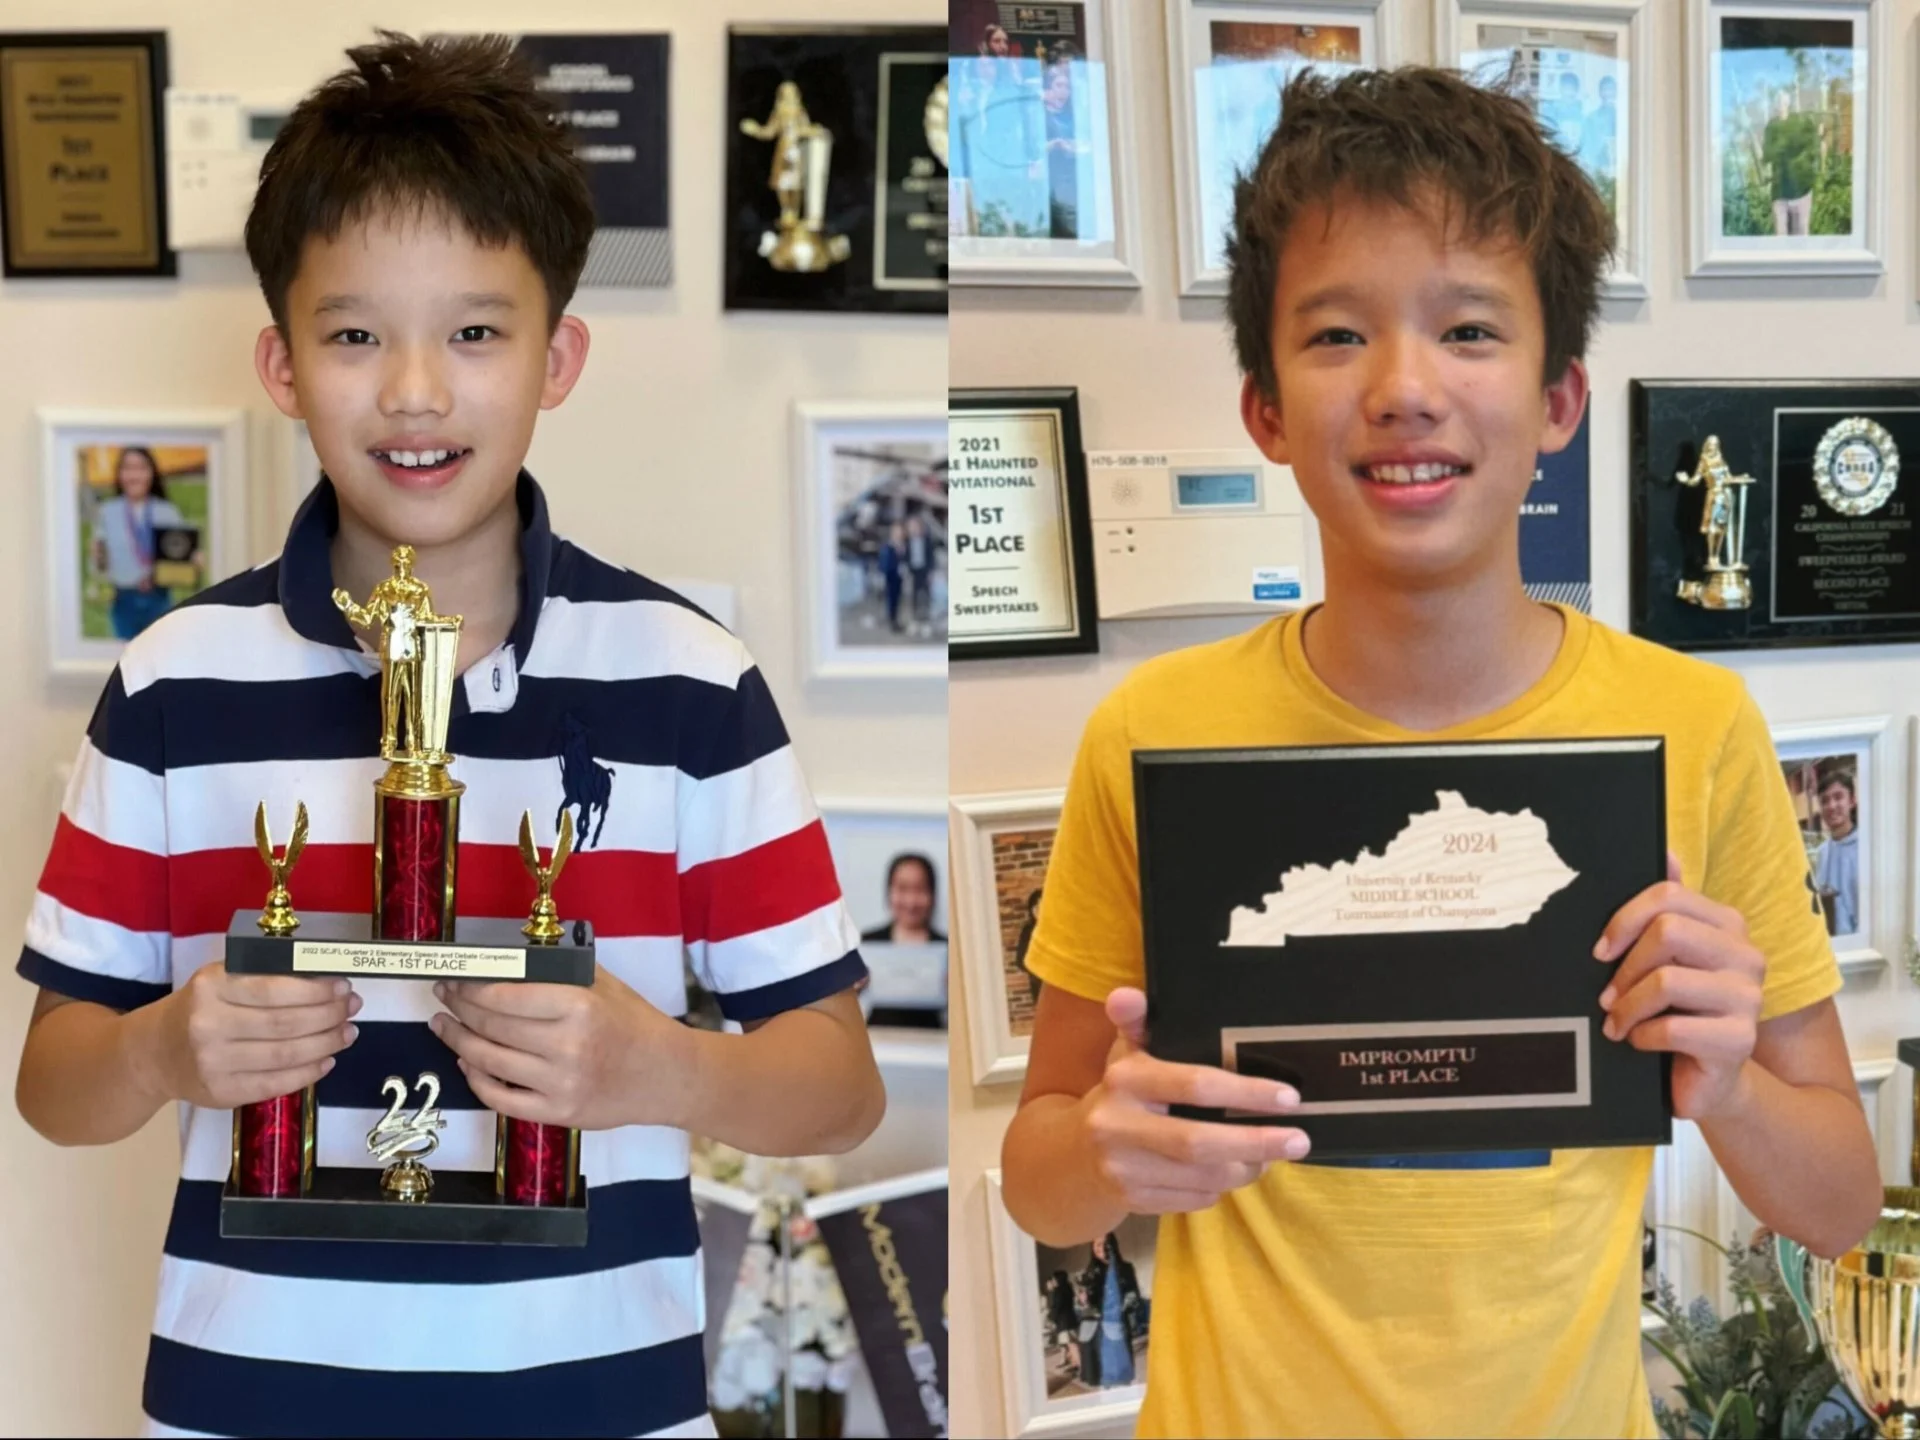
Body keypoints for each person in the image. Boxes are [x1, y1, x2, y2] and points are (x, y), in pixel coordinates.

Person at [13, 33, 883, 1440]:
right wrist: (171, 1050)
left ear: (562, 355)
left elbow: (836, 1084)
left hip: (602, 1402)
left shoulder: (692, 686)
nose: (415, 392)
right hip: (249, 1401)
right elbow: (56, 1086)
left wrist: (655, 1069)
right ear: (282, 363)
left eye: (477, 332)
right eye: (354, 333)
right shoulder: (174, 686)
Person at [1000, 66, 1879, 1437]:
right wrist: (1111, 1146)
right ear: (1267, 410)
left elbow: (1836, 1200)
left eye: (1470, 330)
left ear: (1558, 399)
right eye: (1338, 336)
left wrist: (1730, 1087)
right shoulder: (1151, 732)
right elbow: (1039, 1182)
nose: (1406, 389)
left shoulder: (1694, 728)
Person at [90, 446, 189, 640]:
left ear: (152, 473)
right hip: (123, 601)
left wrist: (191, 561)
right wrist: (98, 557)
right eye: (127, 468)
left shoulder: (167, 511)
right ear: (119, 474)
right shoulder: (108, 512)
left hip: (159, 599)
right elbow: (98, 566)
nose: (134, 475)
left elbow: (181, 557)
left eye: (141, 468)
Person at [1080, 1230, 1144, 1389]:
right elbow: (1086, 1304)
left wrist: (1125, 1305)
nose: (1098, 1248)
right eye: (1095, 1245)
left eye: (1102, 1243)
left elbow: (1134, 1295)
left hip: (1117, 1328)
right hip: (1096, 1332)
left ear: (1112, 1245)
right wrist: (1084, 1300)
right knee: (1102, 1378)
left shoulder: (1125, 1269)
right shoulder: (1089, 1273)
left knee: (1121, 1378)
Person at [1762, 87, 1819, 237]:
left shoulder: (1801, 122)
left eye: (1783, 100)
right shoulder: (1771, 127)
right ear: (1775, 104)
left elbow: (1813, 148)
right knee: (1781, 239)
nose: (1781, 104)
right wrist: (1783, 147)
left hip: (1801, 190)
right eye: (1778, 100)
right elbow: (1767, 155)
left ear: (1789, 102)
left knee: (1801, 237)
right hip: (1779, 193)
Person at [1812, 769, 1860, 937]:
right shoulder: (1821, 853)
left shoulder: (1867, 850)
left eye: (1838, 797)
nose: (1831, 806)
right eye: (1825, 801)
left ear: (1852, 801)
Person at [860, 852, 945, 945]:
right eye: (902, 889)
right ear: (889, 892)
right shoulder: (866, 944)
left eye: (920, 889)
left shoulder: (949, 947)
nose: (911, 902)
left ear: (932, 894)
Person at [905, 512, 935, 630]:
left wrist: (931, 572)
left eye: (915, 526)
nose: (914, 529)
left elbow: (931, 557)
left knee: (926, 595)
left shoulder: (927, 541)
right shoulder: (908, 541)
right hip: (913, 572)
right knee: (913, 596)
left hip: (924, 571)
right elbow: (906, 557)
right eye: (911, 527)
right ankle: (914, 619)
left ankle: (926, 619)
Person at [879, 521, 907, 633]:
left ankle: (896, 619)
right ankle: (892, 621)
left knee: (898, 599)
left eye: (900, 531)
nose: (899, 533)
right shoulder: (888, 545)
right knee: (891, 599)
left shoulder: (903, 544)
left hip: (900, 576)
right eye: (896, 531)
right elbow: (883, 562)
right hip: (890, 575)